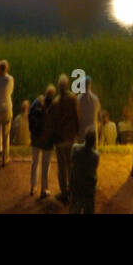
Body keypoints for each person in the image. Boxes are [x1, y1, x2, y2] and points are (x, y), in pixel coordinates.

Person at [46, 74, 80, 203]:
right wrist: (77, 131)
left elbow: (51, 122)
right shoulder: (73, 99)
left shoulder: (55, 103)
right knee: (71, 165)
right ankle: (72, 191)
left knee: (61, 168)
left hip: (59, 140)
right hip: (70, 137)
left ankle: (64, 192)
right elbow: (77, 116)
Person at [29, 86, 56, 198]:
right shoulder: (54, 105)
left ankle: (33, 186)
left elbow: (29, 115)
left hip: (36, 138)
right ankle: (44, 189)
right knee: (45, 165)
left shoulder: (37, 101)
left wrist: (32, 132)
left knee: (35, 162)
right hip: (47, 140)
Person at [69, 126, 99, 214]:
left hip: (76, 184)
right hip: (88, 186)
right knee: (89, 207)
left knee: (75, 207)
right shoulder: (95, 155)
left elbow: (72, 161)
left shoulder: (75, 148)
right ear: (94, 141)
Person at [77, 76, 100, 146]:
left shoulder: (78, 99)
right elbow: (98, 115)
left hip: (81, 132)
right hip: (92, 132)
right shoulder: (95, 99)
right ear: (90, 85)